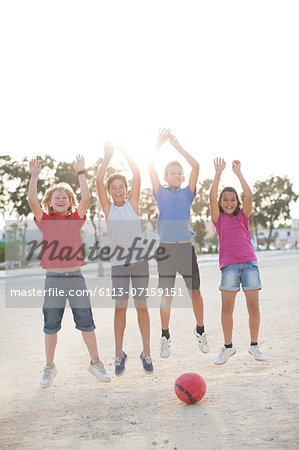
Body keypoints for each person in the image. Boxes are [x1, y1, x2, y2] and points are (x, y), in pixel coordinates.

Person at [27, 155, 111, 388]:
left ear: (70, 202)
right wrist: (34, 176)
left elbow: (86, 197)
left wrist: (81, 173)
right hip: (53, 278)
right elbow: (31, 199)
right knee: (51, 324)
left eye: (65, 197)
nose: (61, 199)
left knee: (86, 322)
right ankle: (49, 367)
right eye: (57, 197)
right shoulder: (44, 220)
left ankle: (96, 363)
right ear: (50, 203)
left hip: (76, 277)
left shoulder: (76, 219)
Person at [148, 128, 209, 358]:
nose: (176, 174)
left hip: (185, 249)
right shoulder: (160, 193)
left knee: (196, 293)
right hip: (165, 251)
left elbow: (196, 167)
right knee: (167, 296)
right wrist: (158, 143)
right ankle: (165, 335)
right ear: (166, 178)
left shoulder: (187, 193)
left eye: (178, 172)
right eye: (172, 172)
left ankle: (201, 330)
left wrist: (178, 147)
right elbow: (150, 167)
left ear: (182, 177)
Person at [96, 139, 153, 376]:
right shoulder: (109, 209)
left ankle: (146, 352)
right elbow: (98, 181)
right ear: (109, 193)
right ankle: (119, 355)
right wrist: (108, 156)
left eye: (121, 187)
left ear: (126, 189)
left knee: (141, 308)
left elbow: (137, 173)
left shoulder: (133, 204)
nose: (117, 190)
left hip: (140, 264)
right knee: (120, 308)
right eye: (114, 188)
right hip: (119, 266)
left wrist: (126, 151)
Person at [210, 157, 265, 365]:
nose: (229, 202)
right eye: (225, 199)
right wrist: (217, 173)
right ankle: (228, 347)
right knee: (227, 309)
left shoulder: (243, 216)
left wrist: (238, 173)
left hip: (249, 264)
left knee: (253, 307)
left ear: (237, 202)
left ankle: (254, 345)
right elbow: (211, 196)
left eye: (233, 199)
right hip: (229, 268)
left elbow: (249, 195)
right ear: (220, 203)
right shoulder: (218, 219)